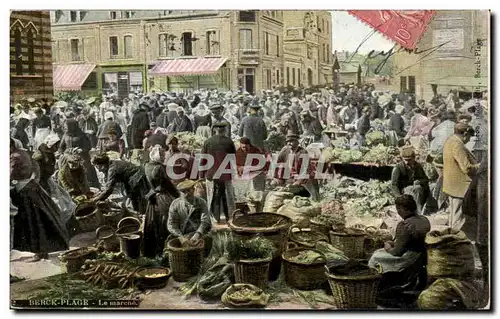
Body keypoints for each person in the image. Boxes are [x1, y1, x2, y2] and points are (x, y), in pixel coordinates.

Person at [10, 138, 69, 261]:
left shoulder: (14, 156)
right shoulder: (24, 153)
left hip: (24, 191)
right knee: (39, 222)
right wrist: (34, 180)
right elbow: (36, 167)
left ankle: (39, 252)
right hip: (32, 187)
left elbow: (10, 174)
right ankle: (41, 251)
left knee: (32, 224)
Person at [369, 195, 431, 307]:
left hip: (409, 258)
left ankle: (380, 284)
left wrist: (388, 246)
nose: (398, 212)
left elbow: (397, 252)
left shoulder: (404, 225)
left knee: (376, 256)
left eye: (399, 209)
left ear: (402, 209)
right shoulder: (424, 220)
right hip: (422, 255)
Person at [143, 145, 181, 258]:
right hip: (163, 197)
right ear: (158, 157)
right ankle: (165, 249)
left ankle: (153, 251)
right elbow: (167, 185)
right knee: (166, 222)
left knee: (153, 222)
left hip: (153, 198)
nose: (164, 158)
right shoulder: (160, 168)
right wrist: (178, 194)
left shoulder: (147, 166)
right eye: (163, 156)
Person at [442, 123, 479, 230]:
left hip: (452, 183)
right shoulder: (458, 145)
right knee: (459, 215)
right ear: (465, 134)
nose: (468, 140)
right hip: (460, 185)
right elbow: (466, 168)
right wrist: (481, 166)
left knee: (454, 213)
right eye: (469, 137)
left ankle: (452, 236)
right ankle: (456, 238)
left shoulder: (450, 140)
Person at [201, 122, 237, 223]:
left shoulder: (208, 142)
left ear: (214, 130)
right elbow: (233, 158)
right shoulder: (229, 142)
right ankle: (230, 217)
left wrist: (201, 175)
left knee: (212, 196)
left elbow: (203, 160)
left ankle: (214, 218)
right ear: (224, 130)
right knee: (228, 196)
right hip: (226, 174)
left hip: (211, 174)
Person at [274, 132, 320, 201]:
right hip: (290, 178)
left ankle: (315, 198)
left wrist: (299, 181)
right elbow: (279, 164)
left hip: (303, 179)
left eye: (291, 141)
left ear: (297, 142)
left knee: (312, 195)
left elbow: (305, 169)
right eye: (288, 142)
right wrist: (278, 178)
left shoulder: (302, 152)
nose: (289, 143)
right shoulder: (285, 151)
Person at [167, 179, 212, 247]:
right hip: (183, 234)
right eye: (183, 192)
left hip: (200, 233)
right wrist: (181, 237)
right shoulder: (175, 204)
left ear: (193, 190)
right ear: (180, 193)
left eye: (189, 190)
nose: (186, 193)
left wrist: (198, 234)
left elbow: (205, 221)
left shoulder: (201, 202)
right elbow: (172, 224)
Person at [59, 118, 100, 188]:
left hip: (81, 155)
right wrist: (65, 152)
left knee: (85, 167)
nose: (66, 127)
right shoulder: (65, 135)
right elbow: (61, 147)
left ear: (72, 126)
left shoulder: (81, 135)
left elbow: (88, 146)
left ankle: (88, 184)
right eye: (65, 126)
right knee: (63, 167)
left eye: (67, 126)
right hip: (68, 155)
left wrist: (81, 150)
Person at [391, 146, 430, 214]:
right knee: (415, 189)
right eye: (405, 160)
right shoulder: (398, 168)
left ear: (413, 158)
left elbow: (425, 179)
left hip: (417, 189)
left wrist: (420, 181)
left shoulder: (417, 166)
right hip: (404, 191)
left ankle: (427, 208)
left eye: (409, 160)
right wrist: (399, 197)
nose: (407, 162)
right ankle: (418, 212)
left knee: (429, 186)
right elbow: (394, 185)